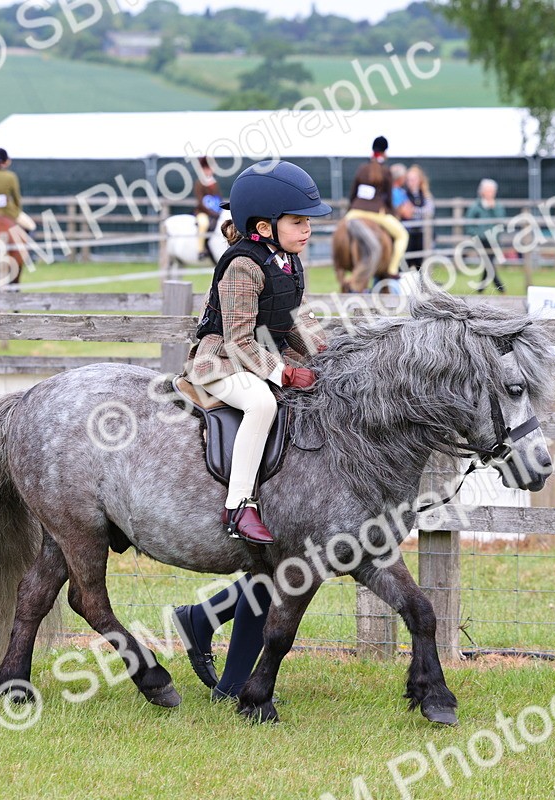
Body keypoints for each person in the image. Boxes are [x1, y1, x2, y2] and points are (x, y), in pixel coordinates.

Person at [175, 159, 331, 702]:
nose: (309, 230)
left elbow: (295, 322)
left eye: (310, 222)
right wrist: (285, 372)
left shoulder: (288, 263)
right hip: (219, 364)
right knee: (264, 403)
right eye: (299, 221)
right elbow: (241, 339)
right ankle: (240, 504)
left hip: (258, 356)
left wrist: (331, 357)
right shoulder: (243, 265)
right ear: (263, 226)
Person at [345, 135, 409, 277]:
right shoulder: (386, 172)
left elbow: (353, 194)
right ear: (385, 152)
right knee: (402, 235)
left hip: (355, 211)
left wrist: (350, 210)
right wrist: (392, 213)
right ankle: (392, 270)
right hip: (376, 213)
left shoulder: (361, 169)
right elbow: (389, 200)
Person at [464, 178, 507, 292]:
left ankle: (481, 289)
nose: (490, 193)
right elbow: (469, 224)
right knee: (489, 264)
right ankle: (501, 288)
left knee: (488, 265)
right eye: (488, 190)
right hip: (480, 240)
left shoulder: (498, 206)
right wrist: (477, 234)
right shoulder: (475, 206)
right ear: (482, 191)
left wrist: (493, 209)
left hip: (494, 240)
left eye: (492, 191)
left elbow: (501, 222)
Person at [0, 148, 35, 232]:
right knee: (31, 226)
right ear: (6, 161)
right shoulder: (11, 176)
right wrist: (17, 210)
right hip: (8, 212)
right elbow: (16, 198)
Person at [401, 164, 435, 270]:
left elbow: (429, 211)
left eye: (414, 179)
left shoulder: (426, 195)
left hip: (422, 233)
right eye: (409, 179)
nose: (411, 182)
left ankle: (420, 286)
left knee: (421, 265)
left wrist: (414, 210)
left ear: (420, 180)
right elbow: (404, 211)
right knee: (404, 264)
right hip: (407, 233)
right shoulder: (403, 194)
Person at [193, 156, 222, 262]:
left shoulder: (214, 183)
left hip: (215, 212)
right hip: (202, 212)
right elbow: (200, 201)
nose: (208, 171)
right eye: (206, 168)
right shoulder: (199, 183)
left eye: (209, 168)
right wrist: (211, 212)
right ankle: (200, 250)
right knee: (203, 224)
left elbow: (218, 198)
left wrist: (219, 210)